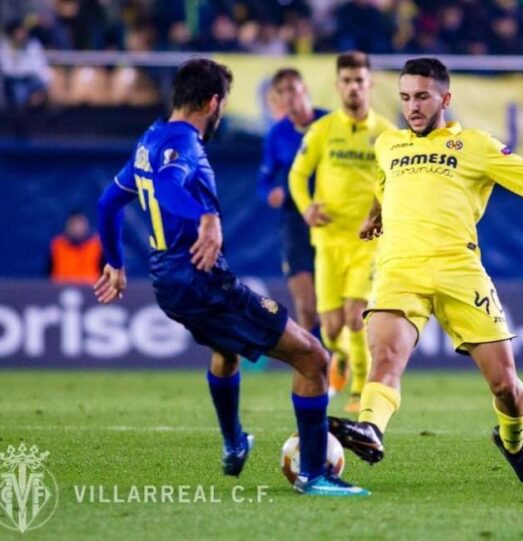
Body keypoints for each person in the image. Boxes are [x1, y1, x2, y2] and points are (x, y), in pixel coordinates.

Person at [328, 57, 523, 484]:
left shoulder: (476, 146)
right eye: (405, 97)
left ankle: (513, 442)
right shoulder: (389, 145)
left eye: (422, 96)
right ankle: (370, 428)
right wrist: (376, 214)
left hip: (460, 271)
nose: (413, 107)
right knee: (385, 358)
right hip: (399, 268)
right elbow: (384, 185)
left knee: (506, 387)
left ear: (446, 97)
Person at [94, 58, 367, 497]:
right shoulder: (183, 142)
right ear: (213, 102)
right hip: (203, 281)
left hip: (169, 282)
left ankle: (233, 443)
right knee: (314, 357)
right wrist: (206, 217)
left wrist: (115, 261)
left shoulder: (150, 139)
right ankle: (315, 474)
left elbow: (109, 203)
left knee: (226, 350)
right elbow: (167, 186)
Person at [288, 51, 396, 413]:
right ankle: (344, 357)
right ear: (338, 86)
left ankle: (360, 392)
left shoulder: (386, 135)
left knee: (355, 316)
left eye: (359, 81)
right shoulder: (322, 131)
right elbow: (297, 175)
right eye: (347, 81)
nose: (353, 87)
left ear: (370, 84)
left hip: (367, 242)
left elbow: (398, 180)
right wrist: (306, 207)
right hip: (328, 240)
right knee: (332, 329)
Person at [257, 68, 327, 339]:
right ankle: (315, 377)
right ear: (275, 98)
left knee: (335, 310)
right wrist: (270, 194)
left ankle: (342, 370)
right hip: (295, 222)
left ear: (304, 89)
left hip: (330, 219)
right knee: (307, 308)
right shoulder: (277, 134)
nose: (289, 96)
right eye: (281, 92)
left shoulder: (330, 123)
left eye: (292, 89)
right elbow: (263, 182)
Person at [49, 211, 103, 285]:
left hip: (92, 292)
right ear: (67, 226)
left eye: (80, 224)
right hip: (61, 292)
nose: (77, 229)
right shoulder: (57, 246)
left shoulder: (97, 247)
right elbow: (48, 275)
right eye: (73, 225)